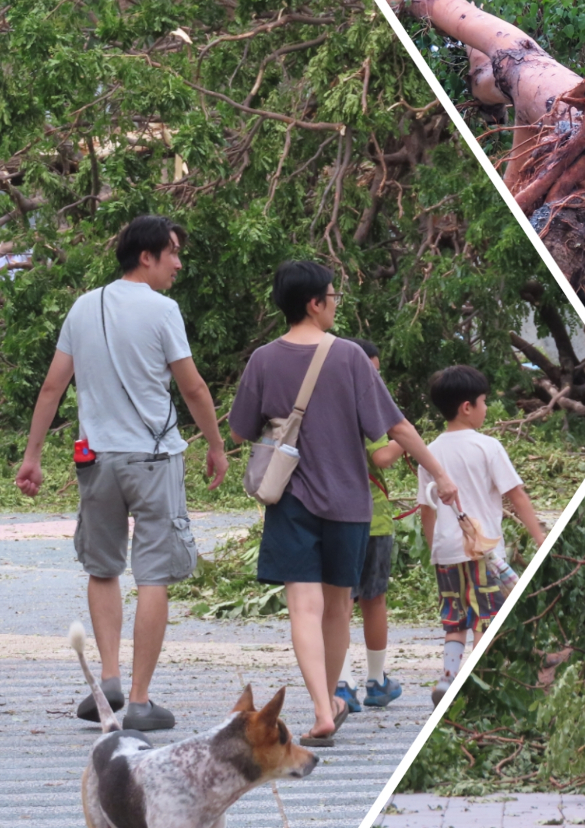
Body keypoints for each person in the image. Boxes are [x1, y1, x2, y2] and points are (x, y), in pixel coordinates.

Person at [228, 260, 459, 746]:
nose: (335, 304)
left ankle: (322, 708)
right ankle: (328, 701)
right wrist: (440, 475)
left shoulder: (262, 360)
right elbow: (396, 427)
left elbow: (240, 428)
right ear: (314, 303)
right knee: (337, 609)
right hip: (350, 505)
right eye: (332, 297)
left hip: (291, 501)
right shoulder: (350, 357)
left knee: (303, 608)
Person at [14, 215, 228, 731]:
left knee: (103, 566)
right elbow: (194, 388)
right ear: (147, 256)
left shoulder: (85, 306)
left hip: (98, 461)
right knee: (154, 574)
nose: (178, 263)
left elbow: (52, 388)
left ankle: (108, 680)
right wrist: (216, 447)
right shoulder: (162, 309)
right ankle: (138, 699)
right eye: (173, 252)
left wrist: (33, 455)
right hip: (154, 460)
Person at [417, 365, 546, 705]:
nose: (487, 408)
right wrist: (540, 538)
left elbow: (426, 510)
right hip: (483, 550)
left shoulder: (427, 453)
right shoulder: (488, 447)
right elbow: (516, 495)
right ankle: (477, 681)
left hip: (446, 552)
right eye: (485, 401)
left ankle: (448, 677)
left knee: (455, 618)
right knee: (489, 616)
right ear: (467, 407)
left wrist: (435, 549)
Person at [334, 338, 405, 713]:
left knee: (339, 601)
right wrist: (405, 441)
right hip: (373, 518)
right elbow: (382, 456)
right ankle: (376, 682)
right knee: (373, 600)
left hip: (333, 516)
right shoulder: (369, 406)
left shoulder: (326, 403)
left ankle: (341, 685)